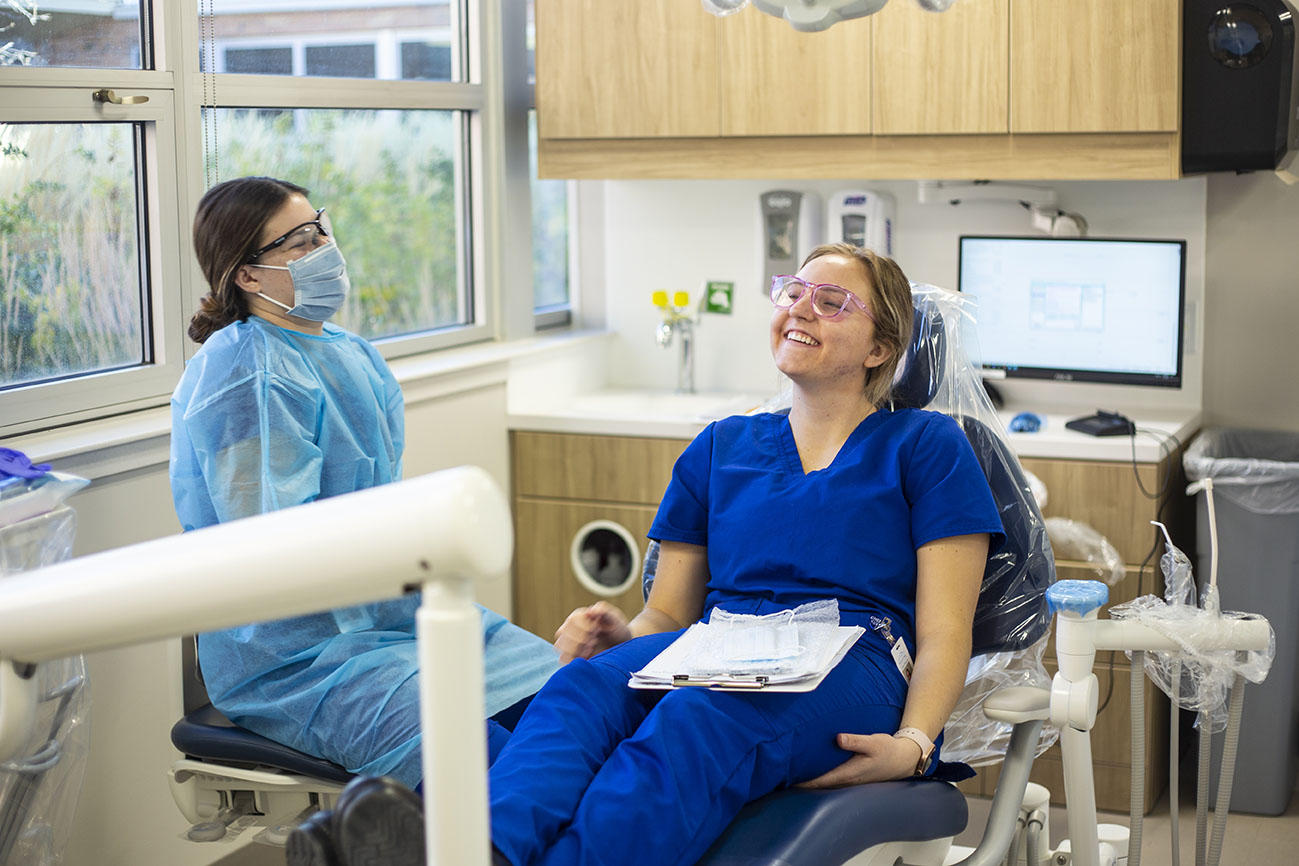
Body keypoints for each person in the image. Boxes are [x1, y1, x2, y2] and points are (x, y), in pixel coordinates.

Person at [487, 244, 1005, 866]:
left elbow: (946, 630)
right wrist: (623, 636)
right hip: (718, 644)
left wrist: (915, 743)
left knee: (698, 716)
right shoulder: (719, 446)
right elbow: (667, 617)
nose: (801, 309)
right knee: (580, 689)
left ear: (879, 350)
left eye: (831, 301)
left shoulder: (926, 445)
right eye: (793, 293)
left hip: (855, 659)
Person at [168, 176, 558, 795]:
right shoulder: (243, 371)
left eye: (321, 227)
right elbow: (274, 540)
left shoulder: (355, 356)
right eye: (299, 242)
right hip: (298, 657)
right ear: (247, 276)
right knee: (497, 774)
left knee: (577, 709)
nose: (324, 247)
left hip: (393, 616)